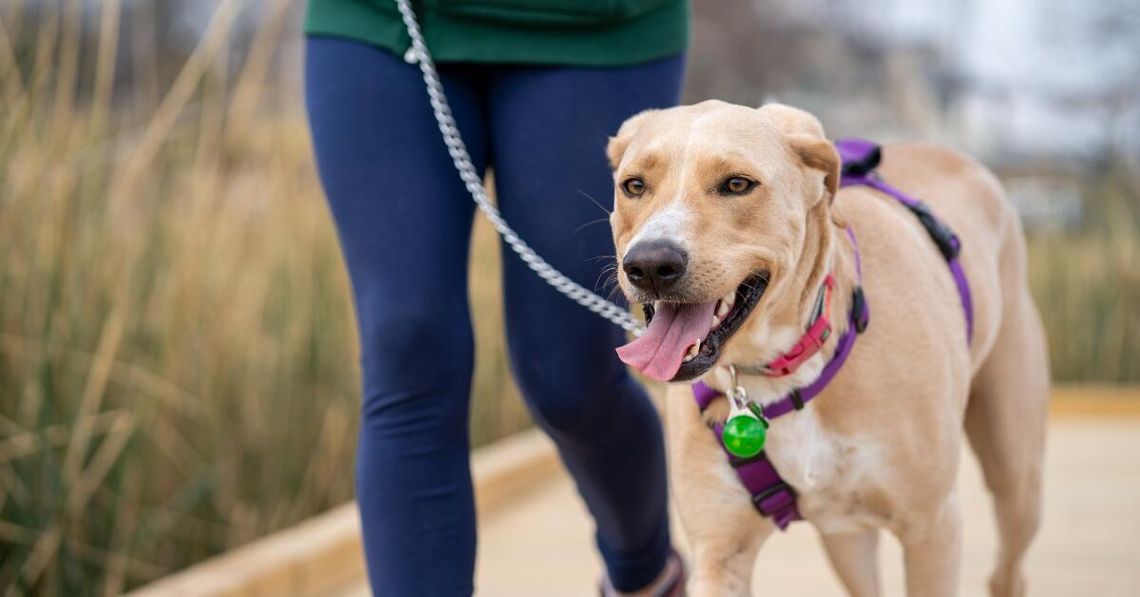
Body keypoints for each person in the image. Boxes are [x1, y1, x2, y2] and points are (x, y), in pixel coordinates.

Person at [303, 0, 688, 593]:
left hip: (594, 33)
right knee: (409, 348)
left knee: (570, 377)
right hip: (387, 26)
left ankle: (646, 573)